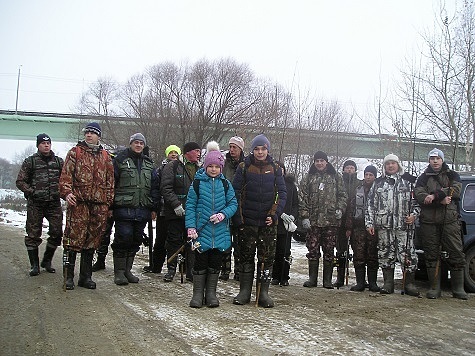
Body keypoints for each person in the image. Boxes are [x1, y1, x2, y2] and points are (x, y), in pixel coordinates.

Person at [232, 134, 287, 308]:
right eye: (257, 149)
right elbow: (236, 192)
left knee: (266, 258)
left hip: (268, 223)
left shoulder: (276, 168)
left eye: (263, 149)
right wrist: (239, 218)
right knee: (246, 256)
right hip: (247, 221)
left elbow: (282, 194)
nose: (260, 152)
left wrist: (274, 214)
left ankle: (263, 293)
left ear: (268, 150)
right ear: (252, 150)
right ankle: (245, 291)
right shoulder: (243, 167)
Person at [60, 122, 114, 290]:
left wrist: (109, 204)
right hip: (78, 204)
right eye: (87, 132)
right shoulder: (75, 152)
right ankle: (68, 277)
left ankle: (85, 277)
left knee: (92, 241)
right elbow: (65, 177)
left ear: (99, 136)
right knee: (72, 241)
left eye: (93, 132)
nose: (89, 135)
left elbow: (110, 182)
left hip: (99, 206)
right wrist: (67, 193)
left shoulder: (106, 156)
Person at [185, 141, 238, 307]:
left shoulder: (226, 184)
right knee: (200, 263)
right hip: (202, 232)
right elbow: (191, 206)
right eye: (211, 166)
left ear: (221, 168)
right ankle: (198, 294)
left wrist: (223, 215)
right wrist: (191, 227)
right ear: (205, 166)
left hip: (220, 232)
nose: (213, 169)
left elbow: (233, 204)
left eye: (217, 166)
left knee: (215, 263)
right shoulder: (197, 184)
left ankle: (211, 294)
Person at [414, 148, 468, 300]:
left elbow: (455, 191)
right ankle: (434, 288)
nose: (435, 161)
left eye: (437, 158)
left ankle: (458, 288)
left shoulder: (452, 175)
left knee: (456, 252)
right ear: (429, 161)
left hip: (449, 221)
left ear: (442, 160)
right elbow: (419, 194)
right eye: (432, 158)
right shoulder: (423, 178)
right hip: (429, 222)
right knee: (431, 254)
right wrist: (440, 199)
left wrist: (434, 195)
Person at [365, 153, 420, 296]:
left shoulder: (409, 182)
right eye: (387, 163)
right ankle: (388, 283)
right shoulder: (378, 183)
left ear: (398, 165)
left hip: (404, 227)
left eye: (393, 163)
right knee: (385, 254)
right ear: (384, 166)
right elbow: (370, 205)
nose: (390, 166)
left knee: (408, 256)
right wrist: (369, 223)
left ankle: (409, 284)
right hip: (384, 227)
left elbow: (417, 203)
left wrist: (414, 215)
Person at [111, 133, 159, 285]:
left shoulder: (149, 163)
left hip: (142, 208)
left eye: (141, 143)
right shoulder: (119, 161)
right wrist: (110, 206)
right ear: (130, 143)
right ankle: (118, 272)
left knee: (136, 239)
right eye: (136, 142)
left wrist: (154, 207)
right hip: (123, 207)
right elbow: (111, 183)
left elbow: (155, 187)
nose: (138, 145)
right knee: (123, 237)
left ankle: (127, 270)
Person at [16, 133, 64, 276]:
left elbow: (67, 179)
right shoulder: (30, 162)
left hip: (54, 203)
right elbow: (20, 181)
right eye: (43, 143)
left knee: (57, 232)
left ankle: (47, 261)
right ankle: (34, 265)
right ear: (38, 145)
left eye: (48, 143)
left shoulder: (59, 162)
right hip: (35, 204)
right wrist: (31, 191)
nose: (46, 145)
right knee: (33, 235)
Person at [299, 151, 347, 289]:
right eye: (317, 161)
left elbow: (343, 195)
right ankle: (312, 279)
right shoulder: (308, 177)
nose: (319, 163)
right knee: (312, 250)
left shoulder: (336, 177)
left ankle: (327, 281)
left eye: (322, 160)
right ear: (314, 162)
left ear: (327, 161)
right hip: (313, 222)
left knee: (329, 250)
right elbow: (302, 198)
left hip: (331, 221)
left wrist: (340, 209)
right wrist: (304, 216)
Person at [161, 141, 201, 282]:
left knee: (191, 242)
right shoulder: (173, 166)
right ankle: (171, 270)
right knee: (174, 240)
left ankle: (190, 271)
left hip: (192, 213)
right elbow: (166, 188)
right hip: (175, 212)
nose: (198, 153)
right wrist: (176, 204)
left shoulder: (199, 169)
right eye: (196, 150)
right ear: (188, 152)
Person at [143, 144, 181, 274]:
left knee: (176, 240)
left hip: (178, 211)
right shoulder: (160, 170)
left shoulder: (182, 169)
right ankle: (156, 265)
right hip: (163, 210)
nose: (174, 154)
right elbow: (156, 188)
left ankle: (181, 268)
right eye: (171, 152)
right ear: (167, 154)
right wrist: (155, 207)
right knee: (160, 239)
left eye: (176, 152)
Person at [345, 165, 379, 292]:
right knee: (358, 255)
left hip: (373, 229)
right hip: (358, 228)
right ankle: (360, 282)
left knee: (372, 255)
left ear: (375, 176)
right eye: (366, 175)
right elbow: (350, 209)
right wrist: (349, 227)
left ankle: (373, 283)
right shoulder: (357, 190)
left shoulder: (379, 190)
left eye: (371, 175)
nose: (368, 177)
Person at [219, 136, 245, 281]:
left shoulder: (246, 164)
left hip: (241, 208)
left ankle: (239, 271)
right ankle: (225, 269)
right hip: (226, 207)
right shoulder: (224, 164)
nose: (232, 150)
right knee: (225, 241)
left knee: (240, 243)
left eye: (235, 147)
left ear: (241, 149)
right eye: (230, 147)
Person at [334, 159, 361, 288]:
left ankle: (360, 280)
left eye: (352, 167)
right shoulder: (339, 183)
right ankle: (340, 277)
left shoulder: (359, 184)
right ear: (343, 169)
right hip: (340, 221)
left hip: (356, 222)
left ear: (355, 170)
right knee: (341, 251)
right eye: (347, 167)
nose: (349, 169)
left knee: (358, 251)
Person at [271, 161, 299, 286]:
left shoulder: (291, 185)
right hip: (273, 221)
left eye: (281, 168)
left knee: (285, 251)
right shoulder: (270, 183)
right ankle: (274, 276)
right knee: (274, 251)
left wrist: (293, 215)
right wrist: (279, 213)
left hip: (286, 225)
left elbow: (295, 204)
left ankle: (284, 277)